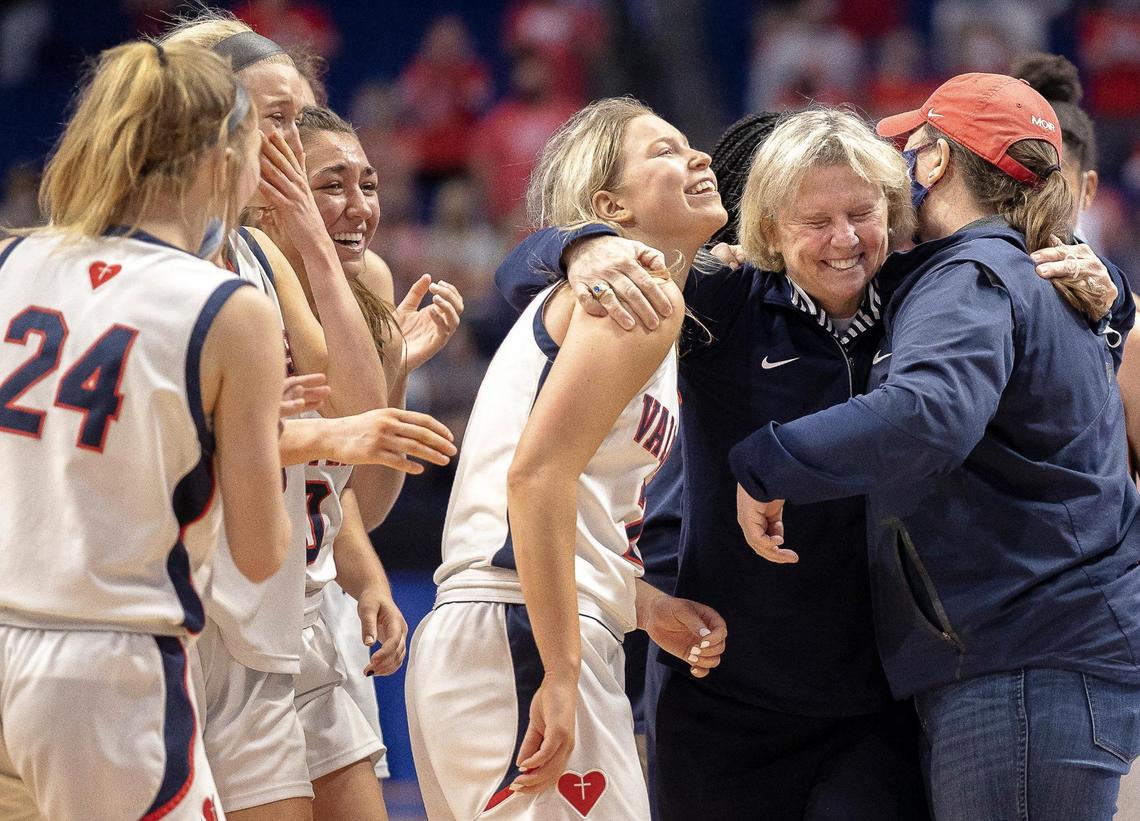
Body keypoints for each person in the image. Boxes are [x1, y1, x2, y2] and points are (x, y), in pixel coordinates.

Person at [494, 104, 1120, 819]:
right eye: (814, 221)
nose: (845, 240)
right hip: (722, 704)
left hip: (873, 710)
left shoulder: (926, 300)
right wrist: (583, 248)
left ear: (894, 211)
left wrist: (1116, 297)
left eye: (863, 213)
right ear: (766, 228)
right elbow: (519, 277)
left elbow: (1041, 306)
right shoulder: (720, 304)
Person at [732, 73, 1140, 821]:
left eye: (913, 146)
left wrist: (763, 461)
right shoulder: (1034, 272)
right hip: (1045, 662)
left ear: (937, 162)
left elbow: (926, 416)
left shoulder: (970, 276)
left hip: (1020, 666)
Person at [163, 13, 455, 821]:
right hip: (187, 607)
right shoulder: (159, 258)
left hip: (289, 596)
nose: (294, 140)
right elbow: (191, 444)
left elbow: (352, 424)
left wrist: (322, 255)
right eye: (281, 121)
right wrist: (315, 431)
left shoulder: (258, 252)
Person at [406, 97, 729, 820]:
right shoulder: (636, 295)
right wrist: (559, 668)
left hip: (507, 624)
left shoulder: (610, 296)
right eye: (665, 152)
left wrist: (641, 605)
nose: (699, 157)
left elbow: (552, 489)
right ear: (611, 205)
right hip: (521, 628)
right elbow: (535, 477)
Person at [0, 40, 288, 819]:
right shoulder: (230, 308)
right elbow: (261, 553)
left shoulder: (12, 261)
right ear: (223, 156)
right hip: (107, 666)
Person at [255, 104, 464, 820]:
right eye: (332, 184)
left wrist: (367, 577)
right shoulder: (238, 280)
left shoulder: (365, 278)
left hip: (315, 609)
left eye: (368, 184)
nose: (358, 207)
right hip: (238, 614)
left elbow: (360, 500)